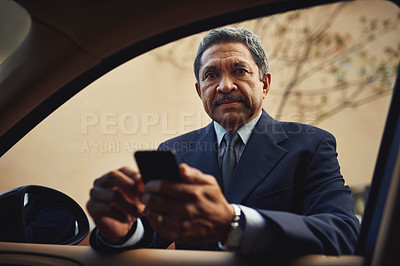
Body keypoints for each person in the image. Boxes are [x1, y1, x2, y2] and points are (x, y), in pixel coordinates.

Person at [87, 27, 360, 256]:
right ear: (200, 90)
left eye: (239, 71)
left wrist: (234, 223)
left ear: (264, 84)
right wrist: (122, 232)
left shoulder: (310, 146)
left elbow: (343, 232)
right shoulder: (174, 151)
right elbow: (153, 234)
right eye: (211, 75)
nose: (225, 85)